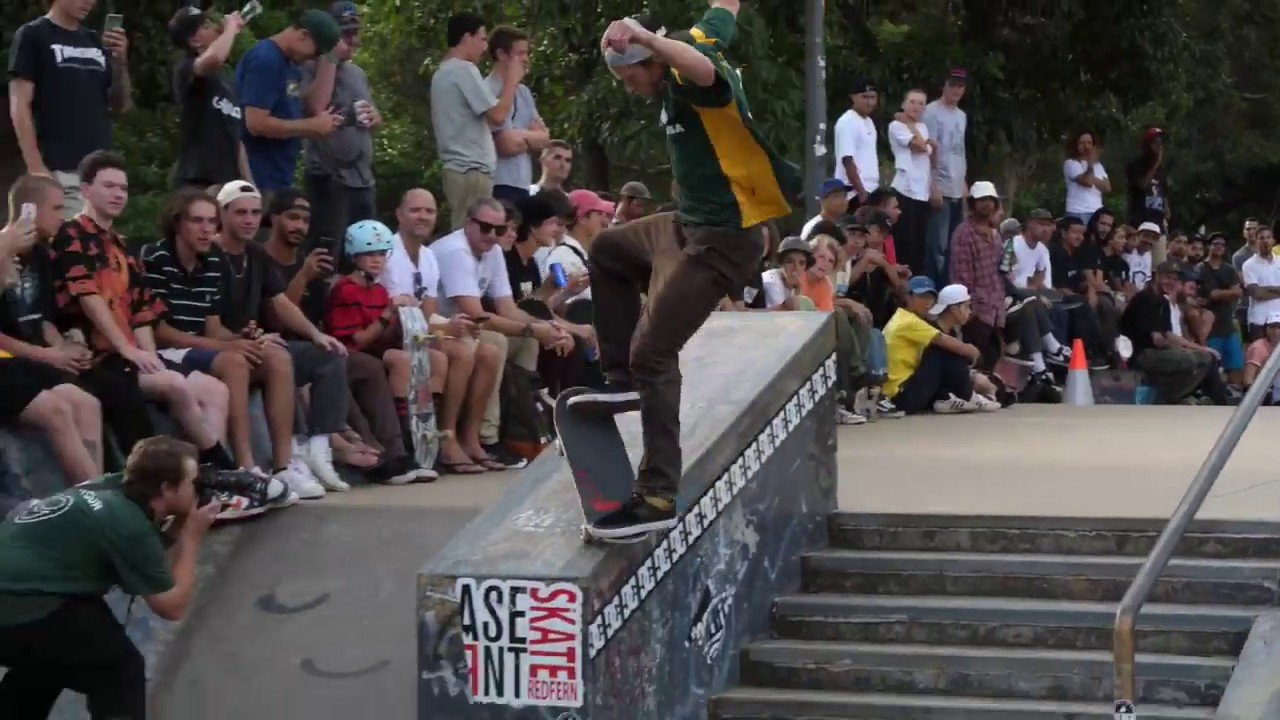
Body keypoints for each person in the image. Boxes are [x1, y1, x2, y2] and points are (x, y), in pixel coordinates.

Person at [586, 0, 801, 537]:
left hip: (723, 244)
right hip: (682, 225)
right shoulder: (697, 38)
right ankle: (619, 376)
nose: (629, 86)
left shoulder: (691, 78)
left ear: (653, 61)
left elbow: (701, 67)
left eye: (631, 76)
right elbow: (723, 10)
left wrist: (644, 35)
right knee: (609, 249)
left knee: (655, 353)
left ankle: (657, 494)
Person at [0, 437, 218, 718]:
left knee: (49, 664)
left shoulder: (110, 487)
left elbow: (141, 557)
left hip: (22, 591)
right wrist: (191, 539)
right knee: (118, 671)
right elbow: (171, 606)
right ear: (167, 488)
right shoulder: (128, 525)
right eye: (194, 482)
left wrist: (178, 525)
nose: (199, 488)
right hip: (19, 604)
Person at [50, 151, 236, 471]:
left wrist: (149, 357)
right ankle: (214, 471)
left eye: (123, 188)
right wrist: (128, 351)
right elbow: (87, 295)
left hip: (130, 358)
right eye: (109, 186)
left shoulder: (121, 245)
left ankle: (211, 477)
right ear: (85, 190)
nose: (118, 194)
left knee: (214, 388)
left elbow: (141, 308)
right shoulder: (71, 234)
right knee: (175, 386)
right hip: (98, 358)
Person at [142, 189, 323, 501]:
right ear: (177, 224)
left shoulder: (211, 260)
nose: (205, 229)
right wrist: (226, 348)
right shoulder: (157, 257)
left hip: (198, 348)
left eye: (210, 222)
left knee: (276, 356)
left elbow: (213, 327)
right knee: (234, 362)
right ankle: (245, 467)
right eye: (196, 221)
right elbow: (160, 332)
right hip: (167, 350)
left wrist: (244, 339)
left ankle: (283, 466)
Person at [213, 182, 354, 494]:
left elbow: (281, 303)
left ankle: (316, 451)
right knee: (278, 355)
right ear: (222, 214)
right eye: (240, 213)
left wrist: (317, 335)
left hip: (255, 342)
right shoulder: (209, 254)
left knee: (330, 353)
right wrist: (244, 339)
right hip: (221, 347)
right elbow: (206, 325)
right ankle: (270, 463)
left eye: (253, 213)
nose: (249, 220)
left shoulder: (255, 254)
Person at [432, 197, 572, 469]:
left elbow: (507, 308)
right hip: (440, 327)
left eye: (499, 229)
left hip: (466, 329)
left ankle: (516, 431)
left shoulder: (493, 251)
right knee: (494, 343)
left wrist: (550, 329)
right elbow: (476, 313)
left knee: (526, 342)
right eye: (486, 228)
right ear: (468, 224)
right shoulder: (455, 251)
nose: (493, 236)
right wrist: (532, 328)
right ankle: (480, 436)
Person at [379, 189, 500, 474]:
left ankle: (470, 439)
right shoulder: (389, 253)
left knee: (490, 352)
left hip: (419, 330)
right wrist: (446, 327)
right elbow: (402, 316)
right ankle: (446, 439)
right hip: (393, 333)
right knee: (461, 351)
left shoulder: (427, 256)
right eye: (415, 210)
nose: (423, 216)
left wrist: (447, 325)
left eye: (429, 211)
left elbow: (427, 312)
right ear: (399, 214)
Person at [324, 220, 443, 484]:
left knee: (432, 358)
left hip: (372, 352)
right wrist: (389, 312)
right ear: (355, 256)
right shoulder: (345, 289)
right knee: (383, 364)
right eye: (369, 254)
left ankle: (426, 442)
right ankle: (397, 449)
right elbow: (360, 340)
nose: (376, 260)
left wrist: (404, 316)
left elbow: (382, 337)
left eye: (381, 253)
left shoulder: (378, 290)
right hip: (347, 356)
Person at [0, 178, 102, 484]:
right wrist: (50, 356)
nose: (62, 216)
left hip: (25, 360)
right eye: (56, 208)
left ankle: (95, 487)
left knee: (87, 402)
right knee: (57, 409)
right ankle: (95, 501)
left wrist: (65, 351)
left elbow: (40, 319)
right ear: (27, 211)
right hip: (7, 359)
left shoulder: (43, 255)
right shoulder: (4, 250)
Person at [8, 0, 133, 217]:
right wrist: (36, 167)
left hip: (99, 173)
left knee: (95, 246)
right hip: (58, 168)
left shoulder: (94, 40)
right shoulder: (33, 35)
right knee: (70, 244)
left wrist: (120, 63)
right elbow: (19, 105)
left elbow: (120, 104)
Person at [300, 1, 383, 250]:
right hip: (328, 178)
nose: (354, 40)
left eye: (356, 33)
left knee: (366, 252)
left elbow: (372, 118)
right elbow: (316, 107)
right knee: (327, 253)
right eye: (346, 33)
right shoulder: (307, 67)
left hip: (363, 180)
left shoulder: (358, 73)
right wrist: (329, 57)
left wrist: (375, 116)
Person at [431, 11, 523, 228]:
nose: (484, 48)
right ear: (466, 37)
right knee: (472, 235)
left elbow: (487, 118)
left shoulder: (444, 72)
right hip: (470, 169)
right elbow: (498, 116)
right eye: (482, 39)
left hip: (461, 169)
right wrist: (512, 80)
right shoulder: (463, 69)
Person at [237, 9, 344, 192]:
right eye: (316, 51)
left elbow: (297, 106)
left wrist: (322, 123)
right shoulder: (266, 59)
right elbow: (256, 123)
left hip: (279, 175)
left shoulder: (290, 66)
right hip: (257, 176)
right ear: (303, 35)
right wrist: (309, 127)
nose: (313, 58)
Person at [883, 278, 999, 414]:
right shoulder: (908, 321)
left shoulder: (909, 319)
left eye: (930, 297)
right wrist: (972, 352)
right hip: (900, 395)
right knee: (944, 350)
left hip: (907, 388)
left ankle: (947, 397)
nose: (927, 302)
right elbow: (955, 346)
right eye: (921, 297)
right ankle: (967, 396)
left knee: (947, 351)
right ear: (908, 297)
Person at [1121, 261, 1229, 404]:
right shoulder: (1145, 298)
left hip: (1158, 351)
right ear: (1157, 276)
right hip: (1140, 353)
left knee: (1206, 358)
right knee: (1188, 360)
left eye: (1175, 279)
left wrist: (1203, 349)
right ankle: (1166, 399)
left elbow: (1169, 335)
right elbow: (1157, 340)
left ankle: (1209, 399)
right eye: (1167, 277)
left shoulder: (1163, 302)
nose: (1171, 282)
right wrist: (1181, 349)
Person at [167, 7, 252, 189]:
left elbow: (236, 136)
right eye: (206, 26)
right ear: (194, 40)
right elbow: (214, 58)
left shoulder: (226, 79)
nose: (215, 28)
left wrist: (249, 185)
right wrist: (231, 28)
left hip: (229, 182)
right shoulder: (186, 67)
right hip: (198, 179)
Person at [485, 26, 550, 203]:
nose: (526, 59)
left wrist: (521, 138)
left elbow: (544, 139)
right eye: (520, 53)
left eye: (527, 53)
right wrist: (531, 139)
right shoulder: (486, 90)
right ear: (501, 54)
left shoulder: (524, 93)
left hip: (522, 185)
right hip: (497, 185)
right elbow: (505, 144)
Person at [948, 181, 1005, 369]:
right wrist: (970, 308)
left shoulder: (995, 235)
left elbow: (998, 272)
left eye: (990, 199)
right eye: (981, 199)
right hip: (976, 310)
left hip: (994, 309)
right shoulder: (964, 233)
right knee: (974, 361)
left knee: (991, 359)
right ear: (972, 203)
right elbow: (961, 274)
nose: (986, 204)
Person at [923, 68, 969, 284]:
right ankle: (934, 288)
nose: (956, 90)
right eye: (952, 85)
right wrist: (932, 185)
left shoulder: (962, 115)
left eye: (960, 86)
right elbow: (928, 151)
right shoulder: (931, 112)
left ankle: (949, 288)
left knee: (954, 244)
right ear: (944, 85)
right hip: (939, 183)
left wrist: (964, 182)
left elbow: (960, 150)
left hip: (957, 186)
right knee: (937, 245)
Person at [888, 89, 933, 277]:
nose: (916, 106)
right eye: (912, 102)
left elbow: (930, 151)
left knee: (919, 247)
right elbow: (921, 146)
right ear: (904, 104)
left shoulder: (923, 127)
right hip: (904, 189)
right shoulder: (896, 126)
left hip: (923, 192)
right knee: (904, 244)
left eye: (921, 103)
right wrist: (907, 122)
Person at [1197, 231, 1245, 385]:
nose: (1219, 247)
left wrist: (1220, 294)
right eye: (1216, 243)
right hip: (1209, 327)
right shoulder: (1200, 268)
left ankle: (1235, 394)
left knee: (1236, 365)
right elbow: (1212, 294)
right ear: (1209, 246)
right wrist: (1227, 293)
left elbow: (1238, 292)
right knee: (1212, 366)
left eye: (1222, 244)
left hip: (1227, 324)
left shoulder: (1229, 269)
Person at [832, 77, 879, 205]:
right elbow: (847, 160)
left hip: (871, 189)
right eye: (865, 97)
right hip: (854, 192)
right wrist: (861, 192)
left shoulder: (869, 122)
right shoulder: (847, 121)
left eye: (872, 97)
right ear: (853, 97)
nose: (869, 102)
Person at [1125, 127, 1170, 230]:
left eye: (1161, 144)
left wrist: (1166, 207)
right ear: (1148, 145)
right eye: (1156, 143)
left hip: (1158, 220)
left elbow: (1163, 189)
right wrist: (1156, 163)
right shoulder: (1136, 164)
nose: (1159, 147)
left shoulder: (1161, 169)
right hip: (1140, 218)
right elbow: (1143, 184)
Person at [1241, 225, 1280, 341]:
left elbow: (1262, 291)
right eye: (1261, 238)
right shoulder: (1249, 265)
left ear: (1273, 240)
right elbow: (1256, 293)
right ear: (1256, 241)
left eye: (1268, 237)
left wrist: (1266, 290)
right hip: (1259, 321)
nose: (1265, 241)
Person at [1063, 131, 1111, 224]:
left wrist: (1092, 177)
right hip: (1077, 211)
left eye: (1089, 143)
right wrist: (1090, 165)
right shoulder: (1071, 163)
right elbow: (1087, 182)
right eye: (1082, 143)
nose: (1086, 146)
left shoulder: (1098, 165)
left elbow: (1107, 187)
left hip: (1097, 211)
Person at [1005, 208, 1055, 290]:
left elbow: (1040, 276)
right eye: (1042, 224)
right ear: (1029, 223)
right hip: (1011, 293)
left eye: (1048, 225)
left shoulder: (1042, 249)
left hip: (1030, 293)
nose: (1045, 229)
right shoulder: (1013, 245)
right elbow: (1003, 277)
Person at [1243, 311, 1280, 399]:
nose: (1276, 331)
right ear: (1266, 328)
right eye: (1272, 327)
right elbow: (1248, 378)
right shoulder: (1258, 347)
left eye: (1279, 327)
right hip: (1266, 391)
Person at [1127, 222, 1159, 291]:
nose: (1149, 241)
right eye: (1146, 236)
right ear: (1137, 235)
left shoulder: (1148, 255)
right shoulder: (1128, 251)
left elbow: (1146, 282)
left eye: (1153, 238)